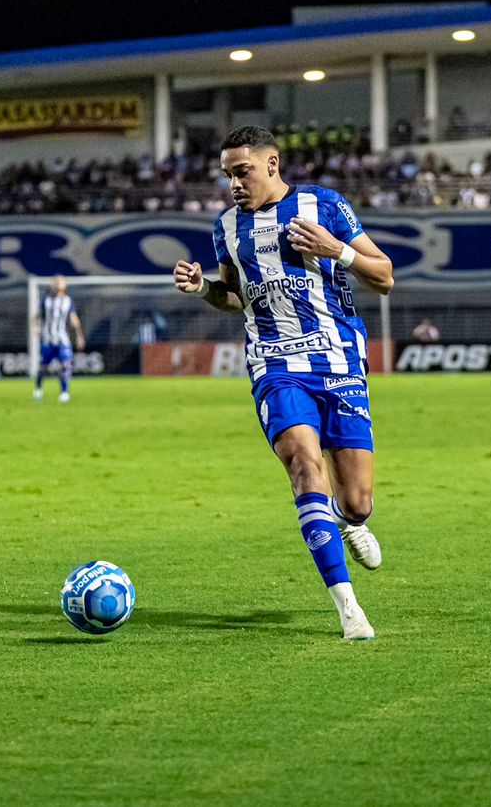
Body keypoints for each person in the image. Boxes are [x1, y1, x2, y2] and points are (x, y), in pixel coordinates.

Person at [173, 125, 396, 641]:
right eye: (227, 174)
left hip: (338, 359)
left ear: (272, 164)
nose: (233, 183)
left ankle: (351, 521)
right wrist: (205, 287)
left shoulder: (326, 206)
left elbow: (384, 277)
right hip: (273, 363)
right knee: (302, 461)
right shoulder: (226, 227)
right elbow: (235, 299)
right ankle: (348, 610)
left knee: (358, 500)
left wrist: (336, 249)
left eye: (242, 171)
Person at [32, 274, 85, 404]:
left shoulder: (68, 301)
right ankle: (38, 388)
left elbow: (74, 319)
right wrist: (35, 328)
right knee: (43, 368)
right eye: (56, 282)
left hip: (63, 340)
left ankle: (64, 392)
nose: (57, 284)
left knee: (65, 366)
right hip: (48, 340)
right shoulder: (46, 300)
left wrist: (79, 336)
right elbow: (36, 317)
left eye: (60, 282)